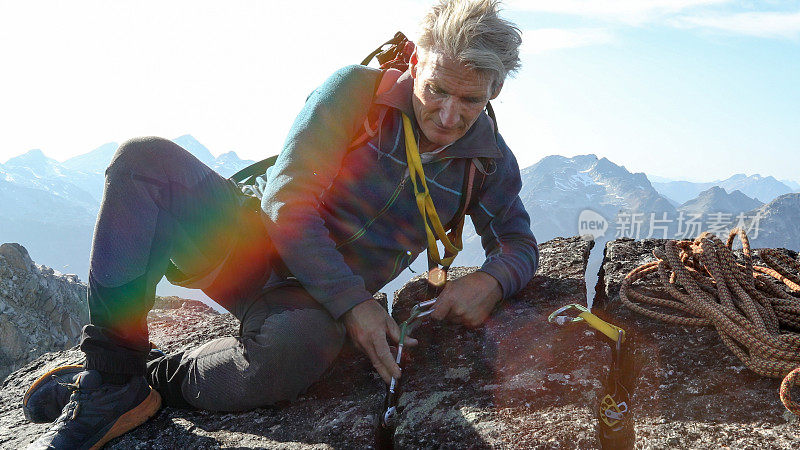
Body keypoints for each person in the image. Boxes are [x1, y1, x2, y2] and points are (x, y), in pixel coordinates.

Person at [23, 0, 538, 448]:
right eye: (438, 89)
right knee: (144, 161)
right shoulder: (355, 95)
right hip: (253, 250)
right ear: (417, 62)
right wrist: (356, 304)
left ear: (495, 89)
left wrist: (492, 279)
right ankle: (111, 376)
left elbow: (518, 243)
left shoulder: (486, 163)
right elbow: (288, 202)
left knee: (302, 346)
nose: (449, 115)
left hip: (309, 306)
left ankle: (151, 380)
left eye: (471, 99)